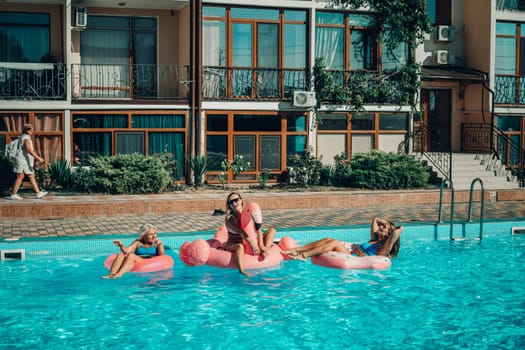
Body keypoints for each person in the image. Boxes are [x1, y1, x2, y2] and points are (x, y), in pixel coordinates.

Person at [284, 217, 402, 261]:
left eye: (384, 227)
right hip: (352, 252)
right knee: (328, 238)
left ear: (389, 234)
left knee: (334, 242)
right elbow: (375, 219)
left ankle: (304, 255)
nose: (381, 226)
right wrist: (388, 225)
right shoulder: (374, 238)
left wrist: (395, 228)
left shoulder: (384, 248)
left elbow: (396, 233)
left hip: (357, 258)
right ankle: (297, 250)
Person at [223, 192, 276, 276]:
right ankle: (242, 271)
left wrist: (261, 246)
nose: (234, 203)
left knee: (272, 230)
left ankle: (266, 250)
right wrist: (253, 244)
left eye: (236, 200)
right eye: (231, 202)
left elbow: (258, 230)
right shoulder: (229, 218)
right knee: (240, 246)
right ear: (229, 205)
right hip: (234, 243)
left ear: (241, 201)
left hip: (250, 240)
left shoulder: (248, 213)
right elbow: (241, 231)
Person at [9, 123, 48, 200]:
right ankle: (13, 194)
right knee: (20, 176)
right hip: (22, 160)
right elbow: (29, 149)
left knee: (31, 175)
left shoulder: (24, 137)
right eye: (31, 130)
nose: (32, 131)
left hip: (23, 159)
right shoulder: (26, 138)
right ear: (28, 130)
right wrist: (38, 158)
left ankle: (38, 193)